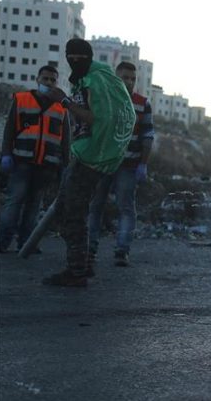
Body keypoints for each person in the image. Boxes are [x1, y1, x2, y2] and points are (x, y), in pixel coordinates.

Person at [41, 38, 136, 287]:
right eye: (70, 57)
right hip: (93, 154)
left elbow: (96, 118)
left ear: (88, 57)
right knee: (66, 209)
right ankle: (82, 264)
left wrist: (64, 101)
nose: (74, 62)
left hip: (92, 157)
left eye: (78, 58)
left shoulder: (95, 81)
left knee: (74, 213)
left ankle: (77, 271)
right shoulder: (99, 76)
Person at [0, 66, 71, 253]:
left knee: (34, 207)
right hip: (21, 161)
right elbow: (10, 129)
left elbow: (65, 138)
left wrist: (65, 164)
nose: (49, 83)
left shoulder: (62, 106)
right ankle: (2, 242)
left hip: (47, 165)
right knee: (14, 202)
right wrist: (6, 154)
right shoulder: (22, 99)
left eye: (53, 80)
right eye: (45, 79)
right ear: (37, 79)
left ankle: (26, 244)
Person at [87, 61, 155, 267]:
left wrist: (143, 164)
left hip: (128, 165)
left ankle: (122, 250)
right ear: (116, 78)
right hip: (103, 163)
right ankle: (89, 249)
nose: (129, 82)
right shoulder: (104, 98)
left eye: (133, 79)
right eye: (125, 77)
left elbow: (148, 135)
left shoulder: (143, 103)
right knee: (95, 205)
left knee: (126, 207)